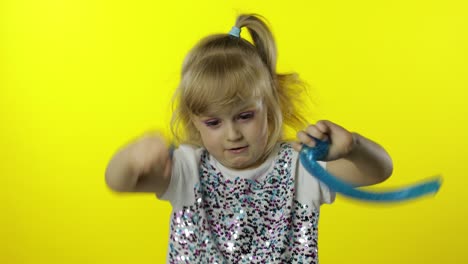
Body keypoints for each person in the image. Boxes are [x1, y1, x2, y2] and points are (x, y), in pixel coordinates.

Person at [105, 13, 393, 263]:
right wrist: (132, 158)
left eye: (245, 116)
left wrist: (353, 146)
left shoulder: (299, 167)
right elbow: (118, 181)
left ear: (270, 106)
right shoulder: (187, 169)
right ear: (194, 122)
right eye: (214, 122)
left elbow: (379, 170)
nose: (233, 134)